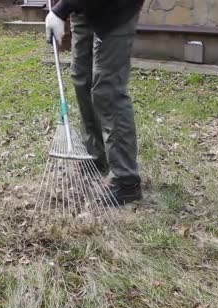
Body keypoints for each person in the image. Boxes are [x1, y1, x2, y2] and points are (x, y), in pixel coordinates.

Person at [45, 0, 145, 205]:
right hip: (84, 8)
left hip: (116, 9)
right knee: (82, 78)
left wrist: (60, 9)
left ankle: (126, 180)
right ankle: (95, 155)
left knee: (107, 90)